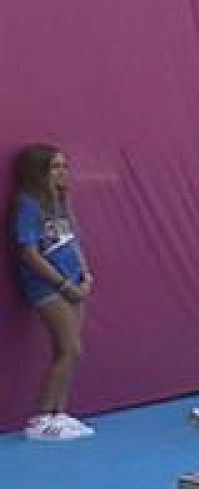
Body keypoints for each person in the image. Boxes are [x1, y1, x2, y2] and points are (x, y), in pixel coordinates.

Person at [11, 143, 95, 441]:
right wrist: (63, 283)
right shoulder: (28, 204)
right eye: (55, 167)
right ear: (38, 172)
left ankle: (59, 414)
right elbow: (30, 253)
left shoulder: (61, 202)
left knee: (70, 351)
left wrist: (85, 275)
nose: (63, 173)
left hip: (73, 281)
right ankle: (40, 417)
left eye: (65, 166)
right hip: (48, 286)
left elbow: (73, 241)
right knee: (70, 348)